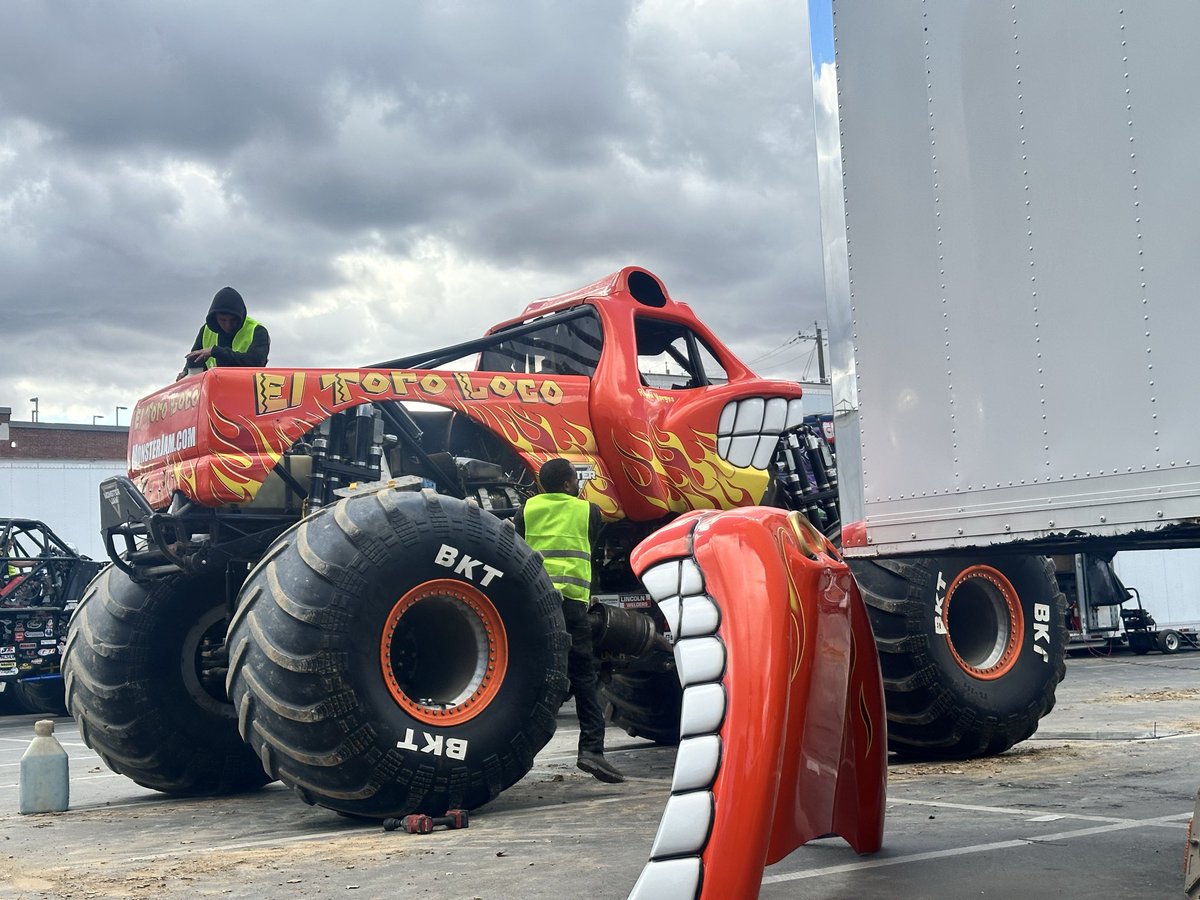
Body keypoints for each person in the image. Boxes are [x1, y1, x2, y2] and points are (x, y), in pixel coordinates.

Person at [515, 458, 625, 784]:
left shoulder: (527, 509)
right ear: (566, 484)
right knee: (584, 677)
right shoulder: (587, 511)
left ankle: (517, 748)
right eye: (574, 481)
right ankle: (592, 750)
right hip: (573, 607)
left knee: (534, 677)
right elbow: (593, 543)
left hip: (537, 607)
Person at [178, 286, 270, 379]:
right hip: (215, 390)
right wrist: (185, 373)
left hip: (246, 390)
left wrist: (215, 351)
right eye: (222, 320)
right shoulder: (206, 331)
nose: (228, 325)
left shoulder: (257, 331)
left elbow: (256, 363)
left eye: (233, 320)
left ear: (240, 317)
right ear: (215, 318)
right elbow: (195, 359)